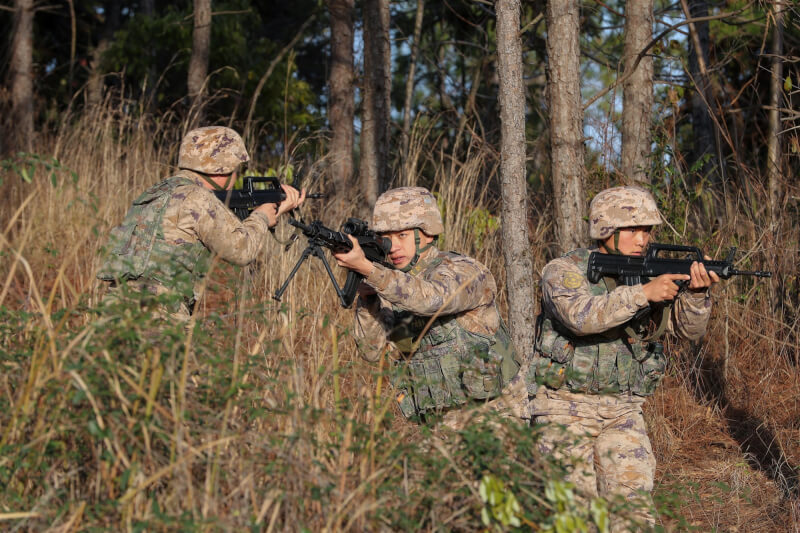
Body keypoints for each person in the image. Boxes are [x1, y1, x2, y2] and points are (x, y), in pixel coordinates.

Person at [530, 185, 719, 527]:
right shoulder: (563, 270)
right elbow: (580, 315)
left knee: (633, 515)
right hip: (563, 407)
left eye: (646, 230)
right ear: (606, 230)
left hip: (622, 409)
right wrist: (643, 294)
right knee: (574, 516)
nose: (642, 239)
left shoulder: (647, 273)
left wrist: (695, 295)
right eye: (632, 229)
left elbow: (687, 331)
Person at [332, 187, 519, 429]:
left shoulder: (463, 270)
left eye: (402, 236)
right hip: (437, 424)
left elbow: (431, 299)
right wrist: (368, 301)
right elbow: (371, 353)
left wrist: (372, 271)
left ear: (428, 234)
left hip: (495, 414)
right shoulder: (390, 285)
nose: (393, 248)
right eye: (387, 239)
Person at [97, 126, 304, 320]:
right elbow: (242, 251)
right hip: (158, 313)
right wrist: (262, 217)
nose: (235, 176)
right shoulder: (198, 198)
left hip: (114, 308)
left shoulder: (156, 192)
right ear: (222, 170)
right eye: (235, 170)